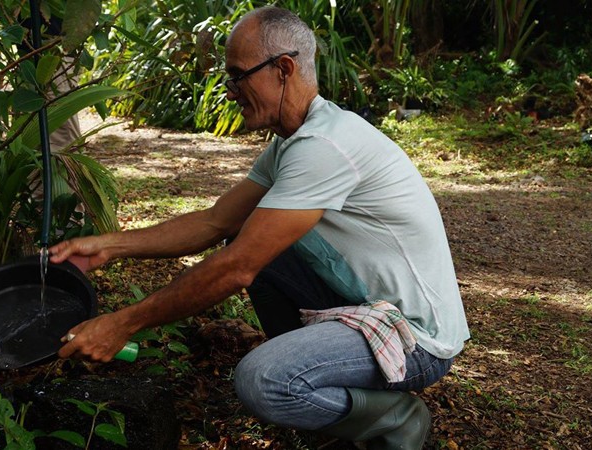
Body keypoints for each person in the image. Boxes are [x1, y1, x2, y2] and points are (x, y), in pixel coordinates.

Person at [49, 6, 470, 449]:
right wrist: (110, 246)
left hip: (417, 341)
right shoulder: (295, 140)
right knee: (249, 236)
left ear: (283, 69)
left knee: (263, 380)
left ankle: (393, 417)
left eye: (237, 75)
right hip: (368, 305)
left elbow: (237, 268)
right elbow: (216, 222)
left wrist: (124, 324)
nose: (231, 91)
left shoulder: (325, 146)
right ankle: (325, 388)